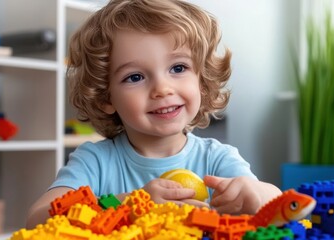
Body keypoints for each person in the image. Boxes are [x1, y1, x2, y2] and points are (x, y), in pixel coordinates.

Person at [26, 0, 281, 228]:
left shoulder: (216, 159)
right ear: (105, 97)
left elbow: (280, 204)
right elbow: (37, 217)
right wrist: (130, 204)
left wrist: (255, 194)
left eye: (178, 67)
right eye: (135, 77)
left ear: (202, 81)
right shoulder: (96, 161)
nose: (162, 89)